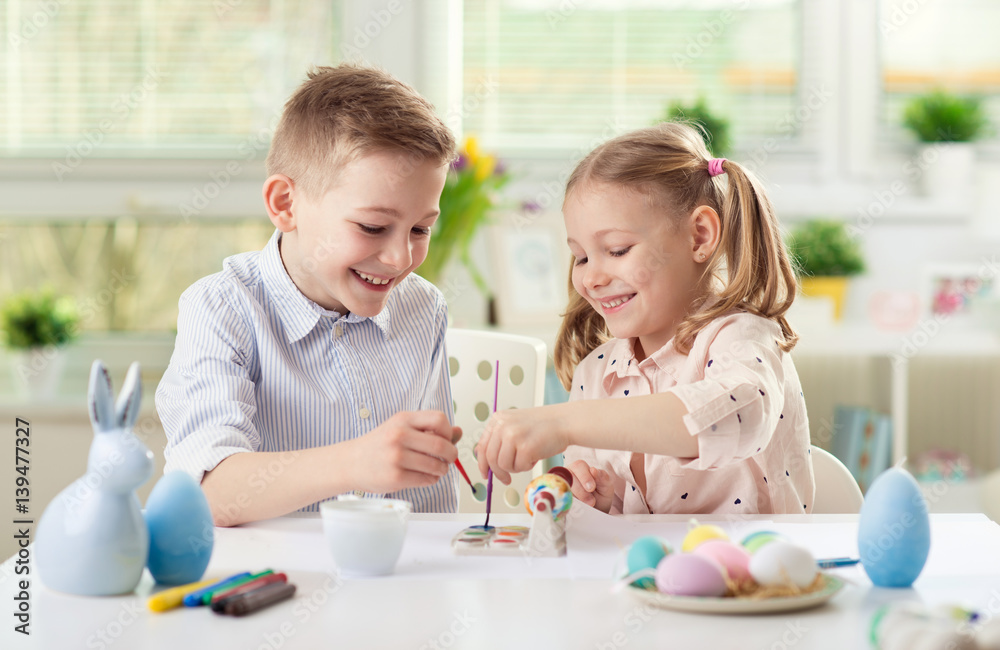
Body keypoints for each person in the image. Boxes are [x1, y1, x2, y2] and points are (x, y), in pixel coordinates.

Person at [156, 64, 462, 526]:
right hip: (270, 580)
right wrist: (355, 462)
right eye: (373, 227)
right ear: (285, 204)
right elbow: (210, 492)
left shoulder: (423, 308)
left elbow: (433, 508)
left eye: (421, 228)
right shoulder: (221, 309)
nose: (401, 257)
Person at [476, 123, 814, 515]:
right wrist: (596, 501)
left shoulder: (742, 338)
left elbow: (741, 414)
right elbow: (620, 523)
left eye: (617, 250)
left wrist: (564, 422)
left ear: (700, 237)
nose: (590, 277)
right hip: (646, 576)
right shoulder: (596, 374)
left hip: (747, 572)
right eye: (581, 256)